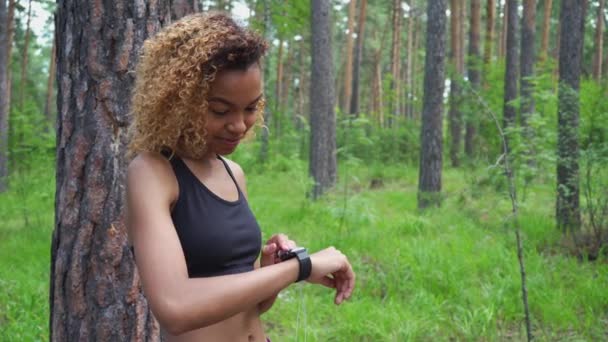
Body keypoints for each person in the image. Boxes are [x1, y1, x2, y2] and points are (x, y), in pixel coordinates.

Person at [125, 12, 356, 341]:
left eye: (250, 108)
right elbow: (175, 307)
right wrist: (300, 267)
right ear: (179, 101)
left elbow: (250, 308)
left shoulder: (233, 173)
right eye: (220, 110)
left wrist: (271, 268)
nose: (238, 125)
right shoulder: (153, 174)